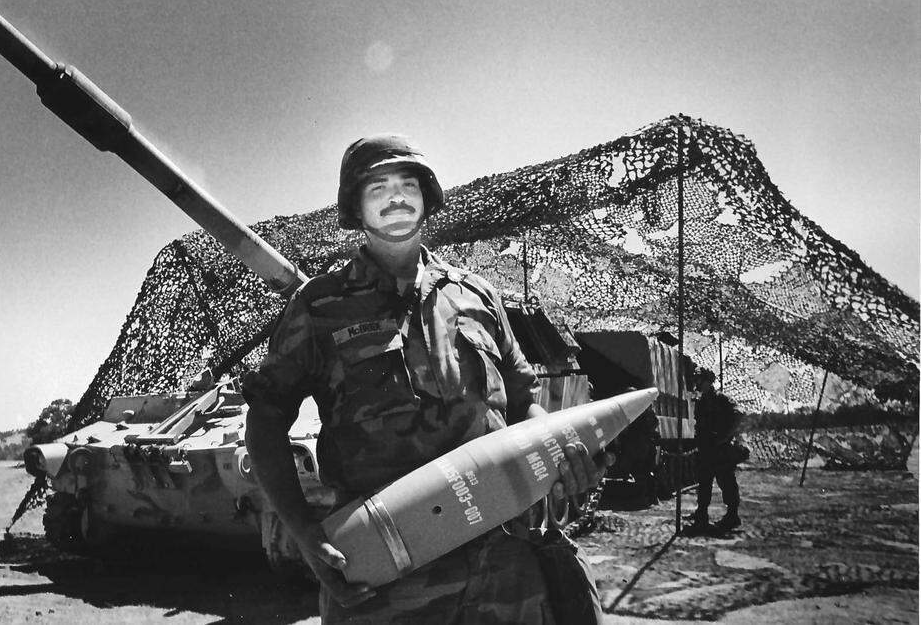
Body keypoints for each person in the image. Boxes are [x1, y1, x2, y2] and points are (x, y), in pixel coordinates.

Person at [242, 133, 608, 624]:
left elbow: (527, 400)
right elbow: (265, 419)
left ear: (426, 196)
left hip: (505, 572)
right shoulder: (318, 306)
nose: (395, 196)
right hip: (390, 576)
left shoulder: (477, 295)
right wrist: (304, 532)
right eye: (377, 187)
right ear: (355, 207)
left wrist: (557, 458)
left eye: (406, 184)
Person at [689, 366, 744, 532]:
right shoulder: (701, 402)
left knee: (726, 482)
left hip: (720, 449)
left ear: (708, 381)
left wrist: (726, 437)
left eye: (700, 380)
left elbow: (739, 414)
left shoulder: (721, 399)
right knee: (704, 483)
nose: (697, 383)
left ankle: (732, 515)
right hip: (706, 448)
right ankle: (701, 515)